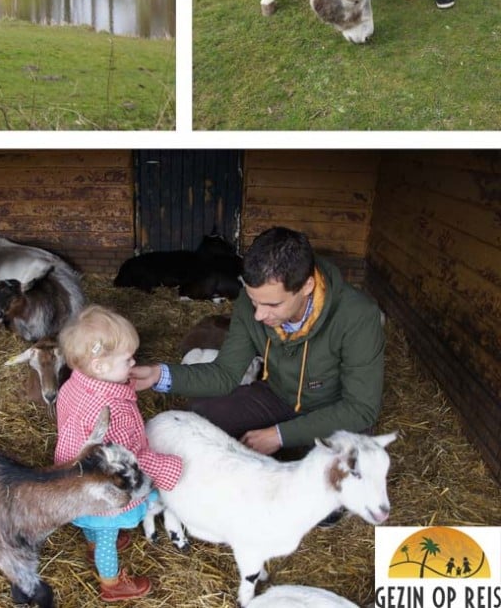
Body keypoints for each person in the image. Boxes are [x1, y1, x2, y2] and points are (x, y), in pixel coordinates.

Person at [131, 227, 385, 465]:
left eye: (273, 305)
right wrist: (159, 374)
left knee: (345, 465)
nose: (259, 316)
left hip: (333, 409)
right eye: (255, 302)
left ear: (306, 286)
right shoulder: (250, 304)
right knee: (201, 414)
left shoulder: (358, 315)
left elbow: (361, 408)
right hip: (276, 396)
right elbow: (225, 374)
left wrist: (279, 435)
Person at [55, 305, 182, 602]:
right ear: (99, 366)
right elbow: (131, 460)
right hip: (104, 492)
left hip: (72, 476)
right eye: (127, 359)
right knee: (109, 535)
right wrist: (168, 469)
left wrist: (124, 377)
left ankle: (91, 542)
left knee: (94, 525)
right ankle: (112, 583)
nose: (134, 361)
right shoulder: (116, 412)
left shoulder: (73, 384)